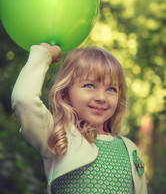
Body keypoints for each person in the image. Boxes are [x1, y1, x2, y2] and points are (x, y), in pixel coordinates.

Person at [11, 43, 148, 194]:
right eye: (89, 86)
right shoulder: (58, 137)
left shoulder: (130, 149)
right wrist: (44, 54)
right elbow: (23, 99)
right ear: (65, 93)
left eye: (111, 89)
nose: (101, 97)